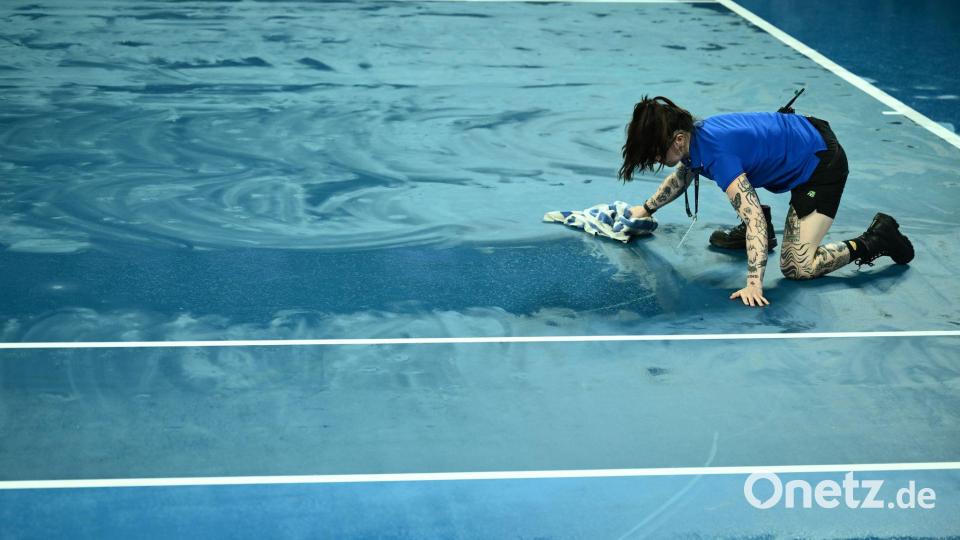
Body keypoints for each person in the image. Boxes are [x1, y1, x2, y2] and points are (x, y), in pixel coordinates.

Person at [618, 95, 914, 308]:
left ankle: (877, 238)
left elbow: (754, 216)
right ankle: (764, 238)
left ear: (679, 139)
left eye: (657, 152)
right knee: (754, 219)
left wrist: (753, 282)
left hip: (821, 164)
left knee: (797, 266)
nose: (656, 159)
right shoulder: (696, 141)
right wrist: (645, 210)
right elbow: (684, 174)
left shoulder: (718, 155)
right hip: (800, 140)